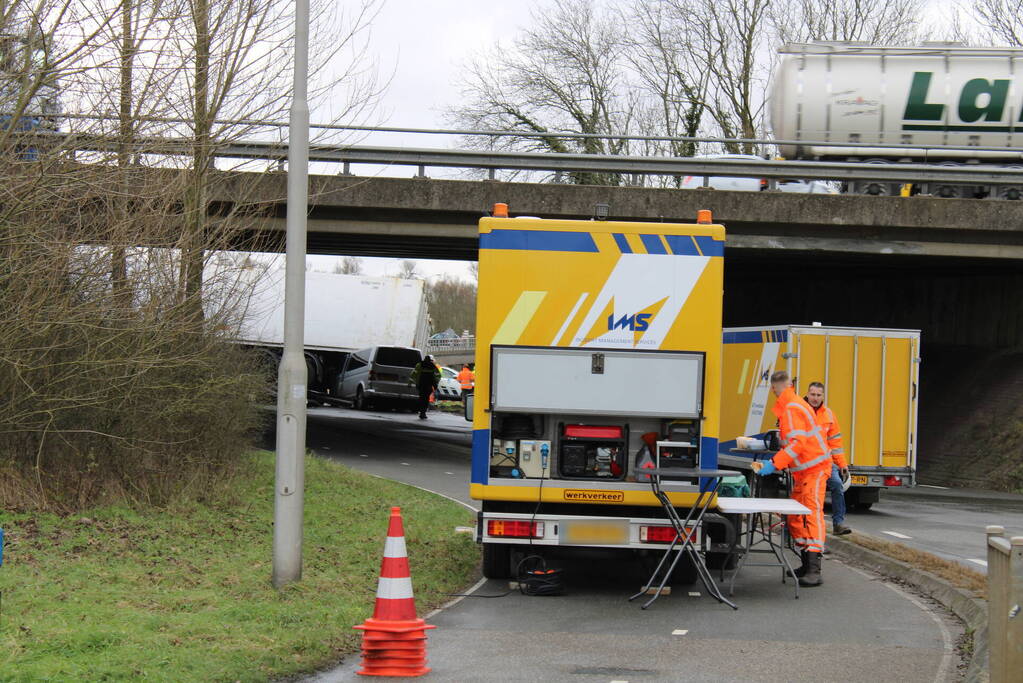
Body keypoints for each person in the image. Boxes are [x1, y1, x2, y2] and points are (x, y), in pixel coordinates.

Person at [751, 370, 831, 587]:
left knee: (811, 514)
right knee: (797, 517)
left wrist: (774, 464)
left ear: (776, 388)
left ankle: (814, 568)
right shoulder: (793, 405)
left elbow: (798, 443)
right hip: (806, 471)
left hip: (814, 470)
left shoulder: (791, 408)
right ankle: (807, 563)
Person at [805, 381, 852, 537]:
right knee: (803, 494)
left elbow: (835, 442)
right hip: (804, 462)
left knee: (837, 485)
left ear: (823, 396)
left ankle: (838, 524)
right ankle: (794, 528)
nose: (815, 398)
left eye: (819, 395)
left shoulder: (828, 414)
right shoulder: (800, 411)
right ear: (807, 394)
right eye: (813, 394)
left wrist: (842, 464)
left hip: (825, 462)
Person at [410, 355, 441, 420]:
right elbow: (438, 375)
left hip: (420, 385)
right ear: (430, 360)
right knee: (426, 398)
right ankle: (423, 413)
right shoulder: (432, 366)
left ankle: (420, 411)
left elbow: (414, 374)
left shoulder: (419, 365)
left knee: (421, 397)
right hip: (428, 386)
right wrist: (436, 383)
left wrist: (410, 382)